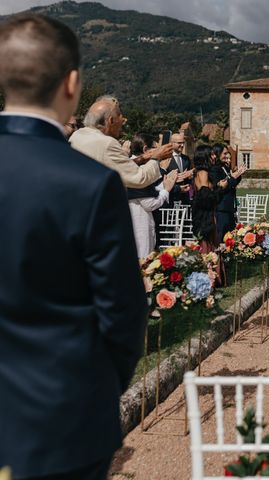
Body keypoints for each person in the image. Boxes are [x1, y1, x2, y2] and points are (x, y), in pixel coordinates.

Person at [0, 13, 148, 480]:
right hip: (64, 421)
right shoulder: (89, 184)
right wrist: (99, 391)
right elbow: (124, 315)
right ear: (71, 84)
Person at [69, 95, 172, 188]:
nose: (122, 125)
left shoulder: (77, 135)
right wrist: (156, 157)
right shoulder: (107, 143)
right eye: (122, 120)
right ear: (111, 121)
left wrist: (141, 159)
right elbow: (139, 178)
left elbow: (113, 166)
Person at [127, 133, 177, 258]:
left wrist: (164, 185)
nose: (159, 152)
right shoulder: (138, 168)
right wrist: (166, 190)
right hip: (139, 226)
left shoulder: (131, 165)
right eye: (156, 148)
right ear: (145, 149)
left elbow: (149, 193)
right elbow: (149, 203)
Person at [191, 145, 226, 253]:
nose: (214, 156)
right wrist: (220, 188)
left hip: (204, 216)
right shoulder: (203, 173)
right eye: (211, 154)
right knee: (207, 247)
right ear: (204, 156)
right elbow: (207, 199)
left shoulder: (199, 171)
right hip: (205, 218)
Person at [210, 143, 247, 241]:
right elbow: (222, 187)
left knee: (231, 236)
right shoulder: (215, 169)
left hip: (229, 207)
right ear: (217, 154)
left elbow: (232, 183)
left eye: (228, 153)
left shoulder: (225, 167)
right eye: (225, 153)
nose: (228, 156)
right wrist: (234, 176)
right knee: (222, 236)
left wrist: (238, 174)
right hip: (221, 208)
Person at [166, 132, 194, 205]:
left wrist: (190, 176)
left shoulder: (186, 159)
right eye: (179, 143)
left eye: (183, 143)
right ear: (172, 143)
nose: (182, 145)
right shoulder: (165, 159)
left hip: (185, 199)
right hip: (171, 198)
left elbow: (189, 178)